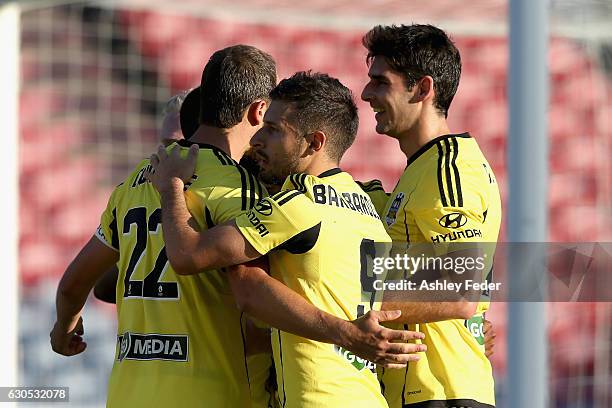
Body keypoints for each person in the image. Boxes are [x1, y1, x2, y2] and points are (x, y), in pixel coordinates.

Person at [52, 47, 420, 407]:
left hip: (127, 393)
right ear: (259, 109)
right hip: (217, 392)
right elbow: (249, 289)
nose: (262, 139)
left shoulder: (138, 179)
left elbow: (75, 285)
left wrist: (63, 330)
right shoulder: (244, 187)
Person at [147, 71, 427, 407]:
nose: (257, 139)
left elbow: (188, 256)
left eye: (274, 129)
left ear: (314, 143)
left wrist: (171, 188)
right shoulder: (368, 207)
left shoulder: (297, 204)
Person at [360, 24, 501, 407]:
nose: (366, 93)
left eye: (380, 82)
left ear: (422, 89)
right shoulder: (427, 169)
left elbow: (460, 290)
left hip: (443, 392)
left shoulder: (447, 171)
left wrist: (356, 307)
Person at [93, 88, 200, 304]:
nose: (168, 154)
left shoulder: (226, 196)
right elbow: (102, 286)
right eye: (165, 145)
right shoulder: (134, 193)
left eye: (180, 145)